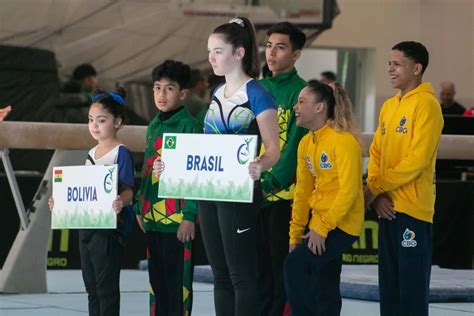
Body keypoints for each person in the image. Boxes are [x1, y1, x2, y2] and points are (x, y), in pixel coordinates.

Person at [201, 17, 280, 316]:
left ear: (239, 53)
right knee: (219, 276)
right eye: (209, 51)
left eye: (218, 51)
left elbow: (274, 149)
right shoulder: (216, 94)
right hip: (209, 191)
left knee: (241, 276)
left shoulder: (258, 95)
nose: (211, 57)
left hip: (239, 192)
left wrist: (261, 165)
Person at [364, 41, 444, 316]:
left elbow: (417, 161)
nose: (390, 69)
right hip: (386, 207)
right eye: (389, 63)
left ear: (417, 68)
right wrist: (377, 195)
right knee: (389, 287)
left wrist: (374, 188)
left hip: (412, 210)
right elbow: (376, 153)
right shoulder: (388, 106)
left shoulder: (427, 105)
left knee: (411, 290)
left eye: (397, 64)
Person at [49, 87, 135, 316]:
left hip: (109, 230)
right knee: (92, 289)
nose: (94, 125)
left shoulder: (121, 152)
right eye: (90, 120)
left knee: (106, 289)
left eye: (101, 120)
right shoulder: (91, 152)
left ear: (117, 122)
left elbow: (129, 191)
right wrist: (61, 202)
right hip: (87, 228)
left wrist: (120, 201)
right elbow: (83, 191)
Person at [284, 81, 364, 316]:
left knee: (295, 266)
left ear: (319, 107)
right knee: (324, 282)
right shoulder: (306, 143)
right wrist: (295, 234)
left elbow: (349, 191)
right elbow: (302, 192)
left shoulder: (343, 141)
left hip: (342, 224)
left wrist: (322, 228)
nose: (295, 107)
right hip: (320, 223)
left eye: (301, 102)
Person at [134, 60, 201, 316]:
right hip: (152, 218)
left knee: (177, 287)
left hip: (177, 221)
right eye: (157, 88)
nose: (161, 95)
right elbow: (148, 169)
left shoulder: (190, 126)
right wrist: (140, 205)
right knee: (157, 285)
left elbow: (196, 175)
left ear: (183, 93)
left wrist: (190, 216)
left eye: (169, 89)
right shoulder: (153, 125)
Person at [256, 21, 307, 316]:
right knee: (256, 273)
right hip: (251, 193)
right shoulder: (257, 89)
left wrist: (267, 184)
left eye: (281, 47)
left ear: (296, 54)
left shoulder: (301, 93)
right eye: (269, 45)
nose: (272, 53)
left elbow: (293, 152)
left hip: (282, 198)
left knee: (279, 274)